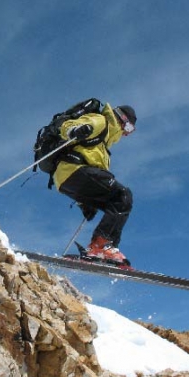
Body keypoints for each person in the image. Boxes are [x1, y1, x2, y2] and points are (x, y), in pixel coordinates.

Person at [53, 103, 137, 265]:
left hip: (69, 178)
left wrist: (86, 202)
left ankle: (108, 248)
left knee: (116, 204)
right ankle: (101, 246)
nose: (126, 134)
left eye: (130, 131)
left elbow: (96, 180)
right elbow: (67, 126)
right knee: (123, 195)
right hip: (74, 169)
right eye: (128, 128)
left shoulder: (103, 147)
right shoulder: (101, 121)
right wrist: (74, 130)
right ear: (122, 119)